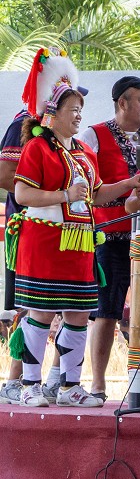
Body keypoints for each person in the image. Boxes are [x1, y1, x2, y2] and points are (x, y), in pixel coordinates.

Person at [9, 49, 140, 407]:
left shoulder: (83, 152)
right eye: (72, 110)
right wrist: (63, 193)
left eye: (80, 110)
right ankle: (30, 385)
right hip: (45, 240)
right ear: (51, 115)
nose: (79, 116)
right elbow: (21, 193)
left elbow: (98, 195)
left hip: (81, 242)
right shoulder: (37, 147)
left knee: (79, 313)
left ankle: (70, 386)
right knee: (40, 311)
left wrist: (131, 184)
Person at [77, 75, 140, 401]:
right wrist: (127, 191)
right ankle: (98, 384)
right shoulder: (92, 135)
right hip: (108, 236)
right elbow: (87, 192)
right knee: (107, 311)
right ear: (122, 102)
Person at [0, 107, 30, 403]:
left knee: (61, 309)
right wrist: (43, 197)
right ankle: (14, 381)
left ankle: (57, 381)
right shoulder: (22, 123)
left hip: (61, 229)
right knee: (28, 305)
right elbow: (5, 175)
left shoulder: (61, 132)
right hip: (28, 227)